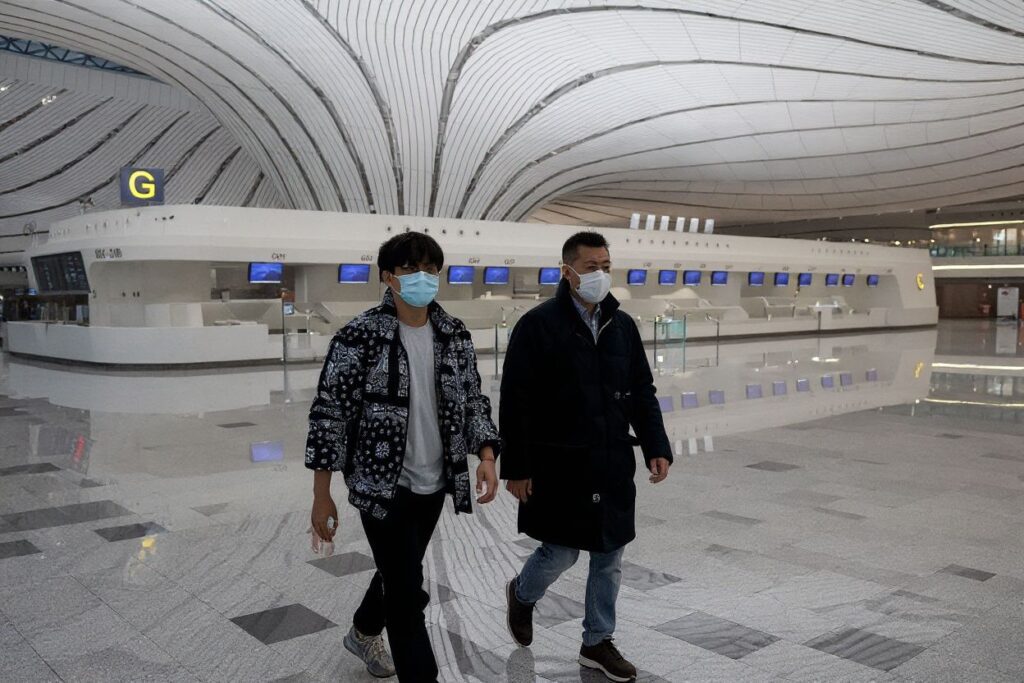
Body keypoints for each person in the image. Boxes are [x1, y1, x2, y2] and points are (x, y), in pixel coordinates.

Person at [305, 231, 501, 682]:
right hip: (380, 484)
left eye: (431, 269)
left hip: (434, 481)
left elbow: (473, 398)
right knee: (407, 592)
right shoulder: (359, 336)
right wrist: (322, 494)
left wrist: (486, 455)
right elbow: (328, 415)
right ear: (388, 277)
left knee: (401, 572)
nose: (423, 277)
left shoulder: (453, 334)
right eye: (411, 269)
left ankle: (363, 630)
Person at [499, 231, 672, 682]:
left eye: (606, 266)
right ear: (567, 271)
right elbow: (514, 401)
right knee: (561, 552)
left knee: (610, 553)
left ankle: (597, 640)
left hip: (611, 459)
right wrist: (515, 467)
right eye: (592, 267)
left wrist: (656, 444)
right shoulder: (537, 325)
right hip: (560, 462)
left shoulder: (623, 326)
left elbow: (642, 392)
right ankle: (521, 592)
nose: (601, 275)